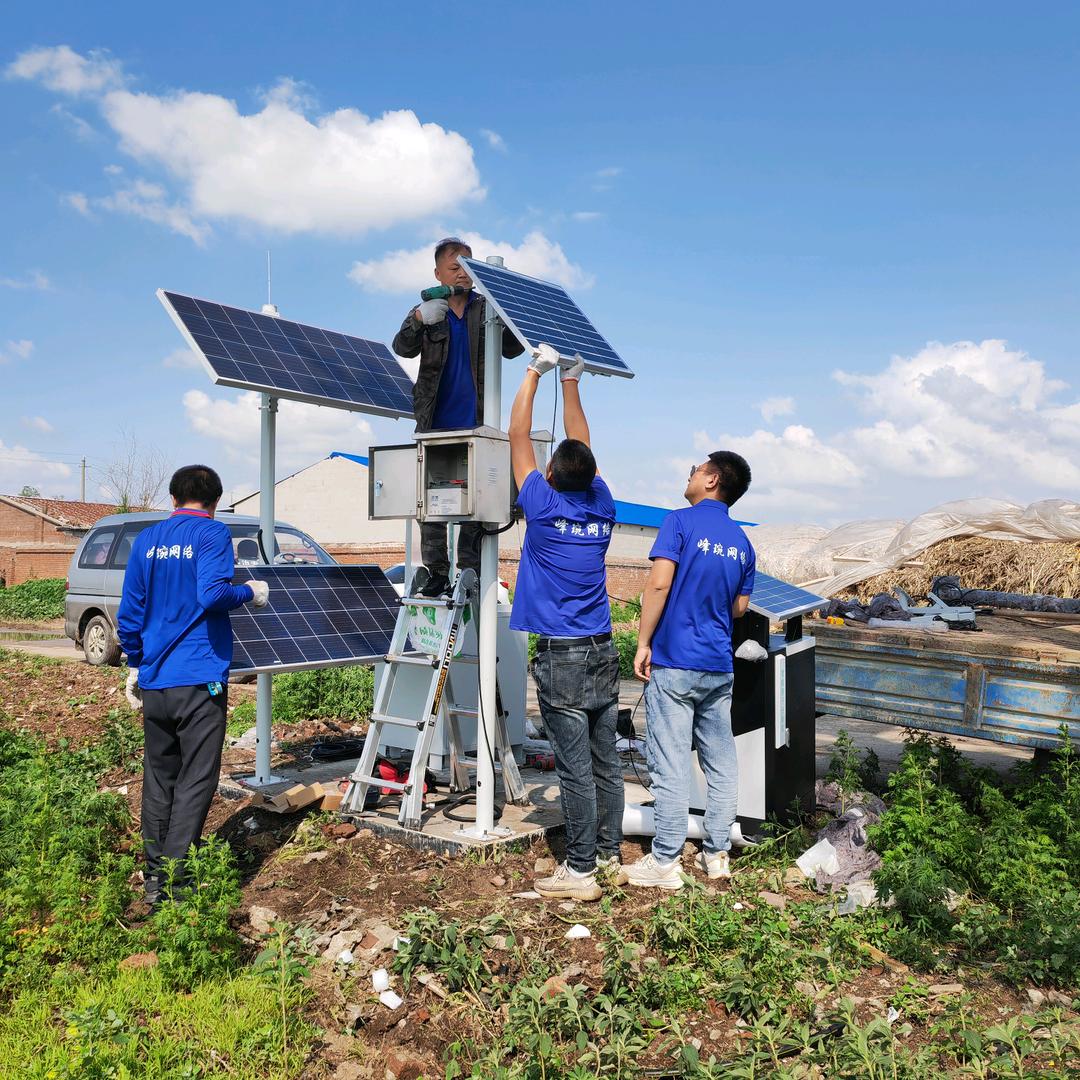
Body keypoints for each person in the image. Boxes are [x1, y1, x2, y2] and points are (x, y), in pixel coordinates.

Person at [117, 465, 269, 904]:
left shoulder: (146, 540)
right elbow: (212, 594)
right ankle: (177, 883)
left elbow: (130, 612)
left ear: (172, 497)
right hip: (200, 680)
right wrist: (250, 592)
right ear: (216, 501)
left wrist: (136, 661)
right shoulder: (212, 535)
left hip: (157, 681)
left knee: (159, 777)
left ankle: (153, 879)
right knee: (197, 778)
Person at [508, 344, 623, 902]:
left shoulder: (543, 506)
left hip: (562, 656)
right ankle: (608, 858)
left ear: (550, 475)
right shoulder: (601, 505)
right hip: (602, 649)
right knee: (606, 763)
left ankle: (579, 873)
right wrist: (571, 384)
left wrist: (533, 371)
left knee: (575, 770)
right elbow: (586, 453)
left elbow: (517, 436)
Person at [623, 452, 755, 891]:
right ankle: (717, 854)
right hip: (718, 666)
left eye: (696, 469)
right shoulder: (742, 543)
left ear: (712, 479)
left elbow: (659, 583)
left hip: (676, 661)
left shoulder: (679, 522)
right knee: (721, 762)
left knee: (670, 761)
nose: (690, 474)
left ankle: (664, 861)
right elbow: (740, 607)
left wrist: (643, 643)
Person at [392, 237, 525, 596]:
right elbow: (401, 347)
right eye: (454, 268)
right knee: (432, 504)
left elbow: (513, 349)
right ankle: (436, 572)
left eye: (468, 267)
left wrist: (505, 304)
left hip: (477, 423)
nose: (463, 274)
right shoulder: (428, 309)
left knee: (478, 500)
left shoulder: (485, 308)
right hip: (435, 422)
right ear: (438, 272)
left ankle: (469, 571)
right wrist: (420, 319)